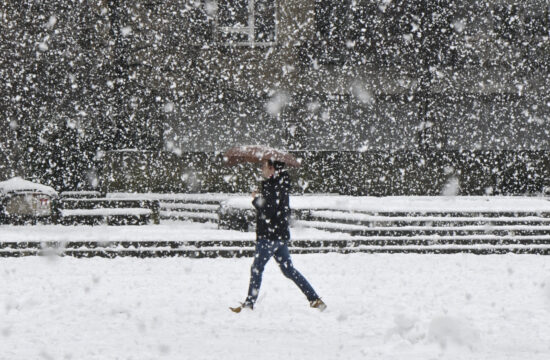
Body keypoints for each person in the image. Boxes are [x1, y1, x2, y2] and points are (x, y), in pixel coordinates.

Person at [230, 159, 326, 313]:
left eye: (264, 166)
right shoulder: (281, 184)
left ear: (272, 168)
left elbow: (268, 211)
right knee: (289, 270)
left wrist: (255, 199)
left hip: (269, 236)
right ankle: (315, 299)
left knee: (257, 268)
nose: (261, 169)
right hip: (279, 236)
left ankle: (249, 304)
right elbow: (280, 209)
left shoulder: (272, 186)